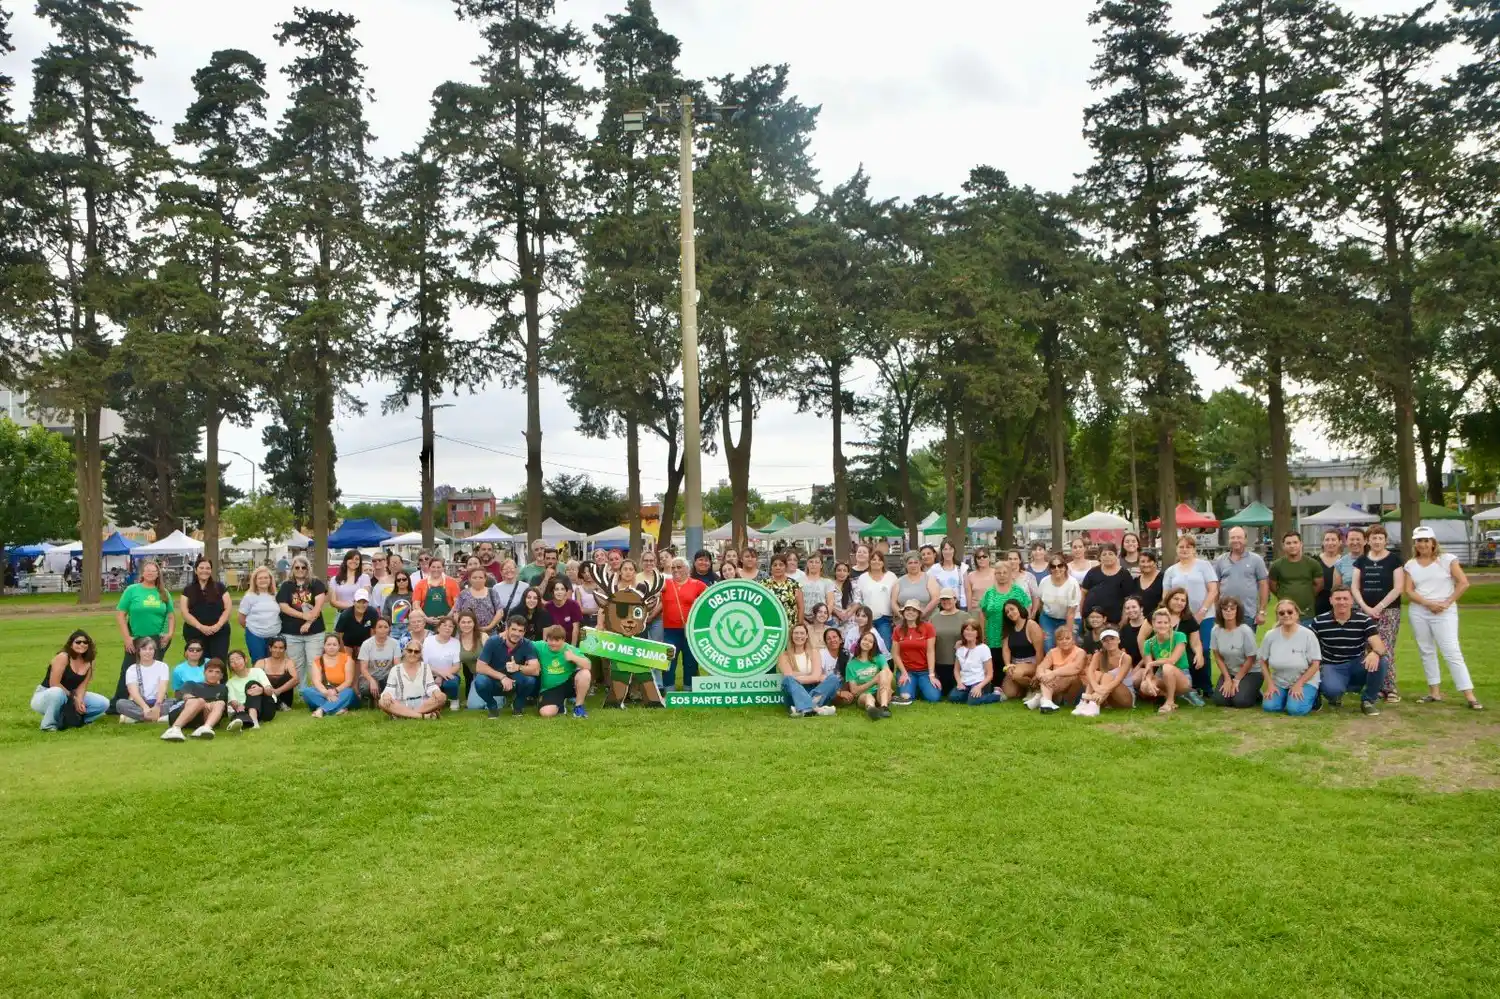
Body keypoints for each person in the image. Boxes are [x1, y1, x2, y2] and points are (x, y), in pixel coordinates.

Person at [1403, 527, 1481, 709]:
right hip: (1420, 611)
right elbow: (1409, 590)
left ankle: (1469, 695)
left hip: (1444, 612)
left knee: (1451, 651)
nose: (1422, 544)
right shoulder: (1411, 564)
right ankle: (1434, 692)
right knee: (1426, 651)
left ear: (1433, 542)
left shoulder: (1447, 560)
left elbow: (1463, 583)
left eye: (1426, 540)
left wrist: (1446, 603)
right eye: (1419, 540)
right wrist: (1428, 604)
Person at [1312, 587, 1389, 715]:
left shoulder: (1364, 620)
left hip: (1356, 664)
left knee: (1382, 661)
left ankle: (1368, 701)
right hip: (1332, 665)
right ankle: (1335, 694)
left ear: (1351, 601)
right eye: (1337, 598)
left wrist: (1374, 653)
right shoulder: (1319, 621)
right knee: (1332, 691)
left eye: (1345, 598)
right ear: (1331, 600)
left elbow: (1380, 646)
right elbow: (1310, 647)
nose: (1342, 602)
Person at [112, 558, 175, 709]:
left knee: (153, 669)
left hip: (157, 638)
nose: (150, 573)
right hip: (136, 637)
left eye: (154, 571)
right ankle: (117, 704)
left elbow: (171, 615)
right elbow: (121, 615)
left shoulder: (164, 593)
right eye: (148, 570)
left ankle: (154, 701)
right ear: (143, 573)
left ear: (158, 574)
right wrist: (127, 638)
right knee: (128, 668)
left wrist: (170, 634)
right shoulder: (132, 590)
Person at [1353, 524, 1405, 703]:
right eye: (1373, 538)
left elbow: (1398, 587)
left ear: (1385, 540)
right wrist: (1365, 607)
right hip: (1365, 610)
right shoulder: (1361, 561)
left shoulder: (1394, 560)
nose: (1376, 541)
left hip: (1389, 611)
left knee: (1385, 647)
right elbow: (1355, 586)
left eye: (1380, 538)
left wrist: (1380, 606)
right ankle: (1376, 686)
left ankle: (1390, 688)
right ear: (1368, 540)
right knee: (1368, 648)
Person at [33, 630, 109, 730]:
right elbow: (54, 683)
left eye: (85, 642)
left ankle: (75, 720)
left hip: (71, 695)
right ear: (71, 644)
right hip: (47, 695)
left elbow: (82, 686)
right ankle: (48, 726)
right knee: (57, 692)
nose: (82, 644)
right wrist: (74, 699)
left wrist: (80, 700)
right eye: (78, 642)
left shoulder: (90, 661)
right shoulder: (63, 657)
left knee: (103, 703)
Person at [1258, 599, 1322, 717]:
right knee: (1269, 707)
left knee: (1295, 710)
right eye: (1281, 613)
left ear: (1297, 614)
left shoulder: (1308, 635)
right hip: (1280, 681)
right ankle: (1286, 697)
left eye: (1289, 612)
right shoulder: (1270, 635)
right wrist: (1270, 684)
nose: (1286, 615)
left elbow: (1315, 664)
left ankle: (1314, 698)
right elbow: (1262, 661)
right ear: (1278, 616)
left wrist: (1299, 684)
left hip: (1305, 680)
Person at [474, 616, 542, 718]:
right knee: (480, 682)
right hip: (494, 679)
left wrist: (518, 667)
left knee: (530, 681)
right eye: (513, 629)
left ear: (524, 633)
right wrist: (502, 677)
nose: (516, 633)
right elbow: (480, 667)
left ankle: (518, 705)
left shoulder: (527, 644)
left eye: (520, 631)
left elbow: (536, 670)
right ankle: (492, 706)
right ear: (507, 629)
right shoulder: (493, 641)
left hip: (515, 680)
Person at [1163, 535, 1218, 656]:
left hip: (1204, 616)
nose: (1184, 549)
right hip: (1180, 617)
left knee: (1202, 650)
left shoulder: (1204, 566)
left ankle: (1203, 675)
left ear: (1194, 549)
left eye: (1188, 547)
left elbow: (1213, 590)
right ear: (1176, 549)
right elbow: (1165, 597)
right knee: (1181, 650)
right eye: (1181, 546)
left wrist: (1202, 612)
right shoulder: (1170, 571)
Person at [277, 555, 328, 677]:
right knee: (296, 664)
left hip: (314, 632)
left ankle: (317, 691)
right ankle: (302, 692)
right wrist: (302, 616)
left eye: (303, 567)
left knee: (314, 664)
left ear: (308, 569)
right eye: (297, 567)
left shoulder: (316, 583)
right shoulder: (286, 585)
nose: (300, 570)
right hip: (291, 633)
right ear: (292, 569)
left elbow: (318, 607)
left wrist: (308, 623)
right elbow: (284, 607)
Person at [661, 557, 707, 691]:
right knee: (669, 660)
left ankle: (689, 689)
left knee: (690, 661)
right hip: (670, 630)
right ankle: (669, 689)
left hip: (690, 630)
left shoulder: (697, 584)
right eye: (673, 567)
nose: (675, 570)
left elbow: (711, 599)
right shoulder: (665, 584)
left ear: (687, 569)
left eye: (679, 567)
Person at [1137, 609, 1194, 715]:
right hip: (1162, 675)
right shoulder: (1148, 643)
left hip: (1181, 675)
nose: (1162, 625)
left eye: (1165, 622)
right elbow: (1149, 670)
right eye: (1159, 622)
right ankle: (1168, 695)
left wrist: (1152, 663)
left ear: (1169, 625)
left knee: (1167, 667)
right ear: (1153, 624)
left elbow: (1172, 660)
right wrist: (1149, 680)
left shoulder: (1179, 636)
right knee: (1144, 686)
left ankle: (1170, 701)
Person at [1209, 596, 1261, 709]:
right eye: (1225, 608)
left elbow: (1251, 658)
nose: (1228, 611)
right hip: (1230, 671)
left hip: (1251, 671)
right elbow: (1217, 657)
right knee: (1220, 700)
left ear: (1238, 611)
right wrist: (1227, 679)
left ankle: (1255, 692)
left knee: (1240, 702)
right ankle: (1243, 689)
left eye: (1232, 608)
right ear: (1220, 611)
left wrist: (1237, 680)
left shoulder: (1245, 631)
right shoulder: (1215, 630)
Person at [1213, 527, 1270, 628]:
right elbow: (1215, 587)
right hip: (1226, 613)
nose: (1236, 540)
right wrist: (1217, 610)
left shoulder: (1256, 560)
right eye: (1233, 537)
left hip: (1248, 614)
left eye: (1239, 537)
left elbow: (1264, 585)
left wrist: (1262, 611)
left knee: (1247, 643)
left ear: (1245, 540)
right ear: (1229, 540)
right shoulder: (1220, 560)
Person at [778, 623, 840, 717]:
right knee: (788, 680)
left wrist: (800, 676)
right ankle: (817, 708)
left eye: (802, 633)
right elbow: (789, 675)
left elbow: (815, 678)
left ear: (807, 635)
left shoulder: (814, 652)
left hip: (813, 689)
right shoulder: (784, 656)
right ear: (791, 635)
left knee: (833, 679)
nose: (799, 636)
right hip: (794, 693)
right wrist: (811, 674)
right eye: (796, 633)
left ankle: (803, 708)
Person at [160, 658, 229, 741]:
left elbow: (222, 711)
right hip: (181, 713)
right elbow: (186, 696)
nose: (213, 674)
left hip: (202, 719)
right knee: (199, 701)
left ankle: (205, 728)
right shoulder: (191, 684)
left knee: (220, 703)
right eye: (210, 671)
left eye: (217, 672)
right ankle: (174, 729)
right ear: (204, 673)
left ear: (221, 676)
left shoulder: (223, 689)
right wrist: (203, 703)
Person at [180, 555, 232, 662]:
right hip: (195, 632)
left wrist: (218, 625)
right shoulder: (188, 590)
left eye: (208, 568)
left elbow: (228, 608)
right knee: (199, 662)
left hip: (219, 632)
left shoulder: (220, 587)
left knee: (219, 662)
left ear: (211, 570)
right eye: (201, 568)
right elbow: (185, 613)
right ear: (195, 570)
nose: (205, 571)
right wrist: (201, 627)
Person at [1159, 587, 1207, 703]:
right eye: (1176, 599)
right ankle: (1171, 694)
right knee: (1143, 686)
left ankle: (1186, 691)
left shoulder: (1188, 620)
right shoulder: (1157, 615)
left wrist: (1199, 654)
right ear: (1169, 599)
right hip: (1159, 660)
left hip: (1180, 663)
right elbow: (1142, 638)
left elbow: (1195, 642)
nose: (1179, 603)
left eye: (1183, 600)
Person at [380, 640, 448, 719]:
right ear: (405, 652)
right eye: (410, 651)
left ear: (420, 654)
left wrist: (436, 691)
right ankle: (423, 716)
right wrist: (387, 695)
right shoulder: (395, 669)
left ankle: (405, 715)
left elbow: (431, 686)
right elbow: (389, 689)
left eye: (416, 652)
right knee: (382, 702)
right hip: (402, 703)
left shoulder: (426, 667)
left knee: (442, 696)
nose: (413, 654)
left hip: (423, 703)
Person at [535, 625, 592, 718]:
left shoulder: (570, 649)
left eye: (557, 640)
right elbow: (525, 643)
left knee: (585, 673)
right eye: (550, 640)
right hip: (551, 688)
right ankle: (560, 705)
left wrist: (573, 658)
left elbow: (588, 665)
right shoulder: (541, 646)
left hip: (568, 684)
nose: (553, 643)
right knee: (546, 713)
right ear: (546, 639)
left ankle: (578, 707)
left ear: (563, 640)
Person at [978, 559, 1032, 656]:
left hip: (1014, 639)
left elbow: (1026, 613)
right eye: (998, 573)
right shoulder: (989, 593)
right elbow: (982, 615)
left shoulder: (1018, 591)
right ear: (995, 575)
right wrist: (982, 636)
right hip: (992, 638)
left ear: (1010, 574)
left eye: (1005, 572)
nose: (1002, 575)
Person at [1074, 629, 1133, 716]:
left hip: (1124, 697)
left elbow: (1118, 680)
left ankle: (1094, 705)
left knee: (1107, 676)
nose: (1109, 642)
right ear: (1102, 643)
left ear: (1118, 640)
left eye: (1112, 639)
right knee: (1096, 674)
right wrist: (1096, 686)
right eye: (1105, 640)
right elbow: (1090, 671)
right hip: (1106, 696)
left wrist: (1100, 691)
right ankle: (1084, 703)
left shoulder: (1126, 657)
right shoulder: (1098, 655)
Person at [891, 599, 939, 705]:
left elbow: (930, 652)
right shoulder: (897, 630)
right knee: (907, 697)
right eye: (908, 609)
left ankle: (920, 685)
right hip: (907, 671)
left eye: (914, 610)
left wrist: (931, 675)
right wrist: (903, 673)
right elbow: (895, 654)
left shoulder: (928, 627)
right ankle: (912, 687)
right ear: (903, 612)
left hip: (924, 671)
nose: (910, 612)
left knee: (933, 698)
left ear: (918, 613)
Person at [1029, 624, 1085, 713]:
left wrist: (1053, 673)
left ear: (1073, 640)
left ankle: (1041, 697)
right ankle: (1047, 702)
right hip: (1055, 686)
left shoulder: (1080, 652)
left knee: (1072, 676)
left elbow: (1075, 668)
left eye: (1067, 638)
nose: (1064, 641)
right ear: (1056, 642)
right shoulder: (1052, 652)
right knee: (1045, 671)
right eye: (1060, 639)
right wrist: (1042, 676)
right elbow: (1041, 667)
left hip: (1073, 691)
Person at [1269, 532, 1321, 626]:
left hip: (1307, 614)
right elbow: (1272, 586)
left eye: (1295, 542)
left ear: (1301, 544)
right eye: (1288, 543)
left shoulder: (1313, 564)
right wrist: (1283, 594)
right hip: (1284, 613)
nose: (1292, 546)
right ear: (1283, 546)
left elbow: (1319, 585)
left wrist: (1306, 594)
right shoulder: (1276, 566)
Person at [116, 636, 172, 724]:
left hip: (159, 702)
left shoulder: (162, 666)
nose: (148, 652)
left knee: (174, 702)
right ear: (139, 651)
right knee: (120, 704)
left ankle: (135, 718)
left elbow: (163, 687)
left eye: (151, 649)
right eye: (144, 649)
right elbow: (133, 692)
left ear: (154, 651)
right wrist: (145, 707)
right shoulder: (132, 669)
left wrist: (157, 706)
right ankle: (159, 717)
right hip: (139, 703)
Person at [842, 630, 894, 720]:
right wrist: (874, 681)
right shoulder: (851, 665)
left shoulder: (879, 658)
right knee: (867, 697)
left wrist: (883, 681)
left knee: (884, 673)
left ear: (873, 645)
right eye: (865, 639)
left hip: (881, 693)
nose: (867, 642)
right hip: (863, 695)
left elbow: (888, 673)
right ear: (860, 641)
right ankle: (871, 709)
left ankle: (884, 707)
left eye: (870, 641)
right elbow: (854, 691)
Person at [998, 599, 1045, 701]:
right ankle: (1025, 688)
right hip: (1015, 664)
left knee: (1017, 674)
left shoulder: (1031, 625)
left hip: (1032, 663)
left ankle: (1035, 689)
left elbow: (1039, 651)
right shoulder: (1008, 628)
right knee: (1009, 693)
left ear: (1019, 608)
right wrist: (1008, 666)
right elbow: (1006, 650)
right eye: (1007, 612)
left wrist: (1038, 671)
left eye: (1012, 609)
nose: (1010, 613)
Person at [301, 634, 357, 717]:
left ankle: (321, 710)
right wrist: (326, 693)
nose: (331, 647)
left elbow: (348, 681)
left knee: (349, 692)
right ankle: (338, 708)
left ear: (339, 647)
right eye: (328, 644)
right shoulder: (318, 661)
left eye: (334, 645)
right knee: (306, 691)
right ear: (324, 646)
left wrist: (335, 691)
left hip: (341, 692)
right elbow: (317, 682)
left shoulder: (347, 659)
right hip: (324, 692)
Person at [1080, 543, 1134, 628]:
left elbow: (1128, 599)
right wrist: (1081, 614)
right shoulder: (1092, 572)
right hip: (1092, 619)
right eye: (1104, 554)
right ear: (1099, 557)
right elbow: (1083, 593)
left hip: (1114, 621)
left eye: (1110, 554)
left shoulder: (1124, 574)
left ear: (1116, 555)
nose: (1107, 556)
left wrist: (1124, 618)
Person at [949, 619, 1003, 705]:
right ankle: (970, 694)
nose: (969, 632)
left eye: (972, 630)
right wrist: (959, 683)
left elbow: (990, 674)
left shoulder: (983, 648)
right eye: (967, 629)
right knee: (953, 697)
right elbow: (956, 670)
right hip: (965, 682)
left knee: (973, 701)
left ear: (977, 633)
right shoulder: (960, 649)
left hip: (980, 682)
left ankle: (997, 695)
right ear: (963, 632)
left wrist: (979, 686)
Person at [236, 566, 283, 665]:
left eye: (266, 578)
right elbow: (241, 618)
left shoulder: (276, 595)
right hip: (255, 635)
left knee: (274, 664)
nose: (263, 580)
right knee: (259, 664)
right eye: (260, 578)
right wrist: (253, 628)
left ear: (270, 580)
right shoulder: (249, 597)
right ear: (255, 581)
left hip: (274, 635)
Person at [852, 551, 897, 648]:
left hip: (885, 619)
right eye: (874, 559)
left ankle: (885, 664)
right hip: (866, 619)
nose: (876, 562)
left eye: (879, 560)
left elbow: (896, 597)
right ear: (869, 561)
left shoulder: (891, 576)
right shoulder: (862, 578)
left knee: (885, 647)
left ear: (883, 562)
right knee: (866, 648)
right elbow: (858, 599)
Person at [225, 649, 276, 730]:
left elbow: (269, 691)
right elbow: (233, 701)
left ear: (245, 659)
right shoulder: (229, 683)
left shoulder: (257, 671)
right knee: (239, 712)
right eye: (232, 661)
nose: (236, 662)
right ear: (230, 665)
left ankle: (254, 723)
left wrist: (262, 690)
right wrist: (237, 705)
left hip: (266, 708)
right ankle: (245, 721)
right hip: (245, 709)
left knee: (251, 684)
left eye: (238, 658)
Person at [1037, 555, 1080, 651]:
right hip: (1048, 618)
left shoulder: (1072, 583)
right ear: (1050, 569)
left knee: (1067, 644)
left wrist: (1068, 633)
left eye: (1060, 566)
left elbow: (1071, 612)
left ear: (1065, 567)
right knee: (1048, 644)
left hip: (1068, 618)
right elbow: (1040, 602)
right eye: (1053, 567)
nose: (1057, 569)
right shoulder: (1044, 581)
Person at [929, 588, 966, 695]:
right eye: (943, 599)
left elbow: (974, 636)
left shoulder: (964, 616)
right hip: (940, 663)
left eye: (948, 599)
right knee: (943, 692)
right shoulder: (934, 618)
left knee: (956, 692)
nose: (946, 602)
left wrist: (962, 641)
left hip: (959, 663)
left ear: (955, 600)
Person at [356, 615, 400, 705]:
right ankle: (371, 698)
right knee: (365, 687)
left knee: (396, 684)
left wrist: (393, 681)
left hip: (387, 676)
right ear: (375, 629)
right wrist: (372, 681)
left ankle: (383, 698)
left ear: (389, 629)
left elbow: (397, 666)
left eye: (385, 627)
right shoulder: (366, 644)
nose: (383, 630)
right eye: (379, 627)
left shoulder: (394, 643)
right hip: (370, 676)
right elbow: (363, 669)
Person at [421, 613, 464, 704]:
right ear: (439, 627)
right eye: (444, 625)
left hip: (449, 675)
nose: (447, 628)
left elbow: (456, 666)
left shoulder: (456, 642)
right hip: (430, 674)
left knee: (451, 683)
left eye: (451, 626)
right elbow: (424, 664)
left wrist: (441, 676)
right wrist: (439, 673)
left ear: (453, 630)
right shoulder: (428, 640)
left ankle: (453, 699)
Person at [255, 636, 299, 709]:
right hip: (266, 695)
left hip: (284, 697)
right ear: (270, 648)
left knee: (289, 677)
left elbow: (296, 680)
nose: (277, 650)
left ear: (285, 649)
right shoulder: (261, 662)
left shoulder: (289, 662)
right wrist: (267, 690)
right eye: (275, 647)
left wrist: (278, 691)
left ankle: (280, 704)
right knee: (259, 678)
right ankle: (275, 704)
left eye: (281, 648)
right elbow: (253, 679)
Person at [895, 551, 940, 620]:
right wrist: (903, 618)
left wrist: (921, 616)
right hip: (904, 621)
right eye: (910, 563)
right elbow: (893, 602)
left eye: (916, 562)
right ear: (905, 565)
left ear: (920, 563)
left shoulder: (929, 579)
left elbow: (936, 599)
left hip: (927, 620)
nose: (913, 565)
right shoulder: (899, 581)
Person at [539, 578, 585, 646]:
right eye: (556, 589)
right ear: (552, 592)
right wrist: (545, 647)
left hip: (569, 643)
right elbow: (546, 630)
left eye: (562, 589)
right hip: (553, 642)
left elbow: (575, 629)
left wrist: (572, 647)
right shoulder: (547, 606)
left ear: (566, 591)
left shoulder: (573, 605)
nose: (559, 592)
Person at [334, 589, 380, 656]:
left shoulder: (372, 613)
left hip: (365, 644)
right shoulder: (345, 615)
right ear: (354, 602)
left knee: (363, 659)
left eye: (364, 602)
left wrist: (369, 648)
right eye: (358, 602)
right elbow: (339, 635)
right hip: (347, 644)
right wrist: (342, 652)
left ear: (368, 603)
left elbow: (373, 632)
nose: (361, 605)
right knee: (348, 661)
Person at [455, 565, 501, 633]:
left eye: (480, 577)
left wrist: (489, 627)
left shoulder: (492, 592)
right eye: (474, 577)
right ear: (469, 579)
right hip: (468, 633)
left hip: (490, 633)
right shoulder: (463, 594)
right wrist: (463, 627)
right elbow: (456, 612)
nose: (478, 580)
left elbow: (500, 612)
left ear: (485, 579)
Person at [765, 553, 805, 626]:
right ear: (771, 567)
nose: (778, 567)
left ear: (786, 567)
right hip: (770, 626)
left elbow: (801, 607)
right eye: (775, 565)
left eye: (781, 565)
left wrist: (799, 625)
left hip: (790, 626)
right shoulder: (763, 585)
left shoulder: (795, 585)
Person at [329, 549, 370, 613]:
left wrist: (356, 607)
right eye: (351, 558)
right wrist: (354, 606)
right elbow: (333, 602)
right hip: (341, 615)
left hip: (359, 615)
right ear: (346, 561)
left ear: (360, 562)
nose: (354, 561)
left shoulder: (365, 578)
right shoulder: (334, 579)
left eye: (356, 559)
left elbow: (364, 600)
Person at [929, 541, 967, 609]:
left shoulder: (962, 567)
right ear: (941, 551)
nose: (948, 552)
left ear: (954, 550)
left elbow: (967, 590)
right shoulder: (935, 568)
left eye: (950, 549)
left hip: (960, 605)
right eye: (945, 549)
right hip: (943, 605)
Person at [382, 569, 416, 643]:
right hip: (394, 630)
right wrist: (389, 627)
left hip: (410, 629)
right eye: (398, 580)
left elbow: (418, 613)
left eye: (404, 579)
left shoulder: (414, 596)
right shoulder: (390, 597)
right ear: (396, 582)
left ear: (408, 580)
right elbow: (385, 615)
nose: (401, 581)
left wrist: (412, 626)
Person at [799, 553, 835, 622]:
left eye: (817, 562)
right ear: (807, 564)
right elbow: (797, 604)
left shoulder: (827, 582)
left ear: (821, 565)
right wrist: (802, 620)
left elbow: (830, 603)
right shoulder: (799, 581)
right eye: (811, 562)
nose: (813, 564)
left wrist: (823, 618)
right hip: (805, 621)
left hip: (823, 621)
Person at [1117, 595, 1150, 669]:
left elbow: (1152, 651)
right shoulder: (1124, 629)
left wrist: (1138, 667)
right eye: (1127, 608)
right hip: (1129, 666)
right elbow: (1123, 651)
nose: (1131, 610)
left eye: (1134, 607)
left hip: (1146, 665)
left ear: (1141, 608)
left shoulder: (1149, 626)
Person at [965, 548, 997, 613]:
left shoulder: (996, 573)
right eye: (979, 557)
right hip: (976, 611)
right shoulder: (970, 575)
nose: (982, 559)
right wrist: (969, 612)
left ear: (989, 558)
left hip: (993, 610)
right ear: (976, 560)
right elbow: (968, 596)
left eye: (984, 556)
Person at [1135, 550, 1164, 617]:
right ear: (1138, 564)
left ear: (1155, 562)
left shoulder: (1163, 578)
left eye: (1149, 561)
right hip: (1138, 620)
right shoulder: (1135, 581)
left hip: (1158, 620)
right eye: (1142, 561)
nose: (1146, 564)